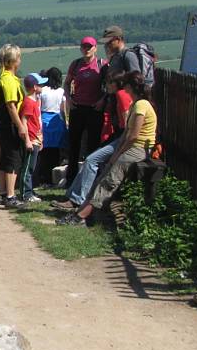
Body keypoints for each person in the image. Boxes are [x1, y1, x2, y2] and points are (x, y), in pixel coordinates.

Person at [56, 71, 157, 226]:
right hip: (132, 147)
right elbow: (127, 134)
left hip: (137, 149)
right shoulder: (137, 103)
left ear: (130, 86)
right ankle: (81, 211)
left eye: (126, 85)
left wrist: (117, 155)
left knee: (109, 180)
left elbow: (133, 136)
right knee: (102, 177)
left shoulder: (141, 105)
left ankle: (81, 216)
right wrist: (116, 153)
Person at [53, 70, 131, 210]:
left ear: (115, 84)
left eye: (108, 83)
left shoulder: (120, 95)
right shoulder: (117, 96)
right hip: (119, 136)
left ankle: (77, 199)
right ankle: (73, 196)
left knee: (91, 160)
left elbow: (126, 122)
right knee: (91, 159)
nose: (106, 86)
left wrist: (119, 146)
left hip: (122, 137)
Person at [64, 37, 106, 184]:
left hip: (95, 109)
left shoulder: (102, 65)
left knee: (93, 145)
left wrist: (103, 100)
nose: (86, 49)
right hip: (78, 108)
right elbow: (67, 82)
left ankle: (91, 179)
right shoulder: (75, 65)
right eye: (84, 46)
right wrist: (68, 98)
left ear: (95, 48)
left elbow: (109, 86)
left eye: (89, 47)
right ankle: (71, 178)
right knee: (74, 144)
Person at [0, 44, 26, 208]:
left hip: (0, 123)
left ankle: (2, 192)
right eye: (19, 57)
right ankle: (11, 196)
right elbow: (11, 105)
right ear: (14, 61)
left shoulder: (0, 78)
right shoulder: (10, 81)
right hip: (9, 124)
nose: (20, 60)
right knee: (13, 159)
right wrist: (20, 126)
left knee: (4, 157)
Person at [35, 67, 66, 186]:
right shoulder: (61, 91)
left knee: (43, 152)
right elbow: (63, 110)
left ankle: (42, 177)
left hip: (44, 121)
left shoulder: (43, 91)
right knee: (55, 152)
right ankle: (53, 178)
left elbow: (38, 107)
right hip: (57, 121)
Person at [18, 73, 45, 203]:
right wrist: (27, 140)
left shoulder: (34, 101)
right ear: (35, 87)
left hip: (36, 138)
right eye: (40, 84)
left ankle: (29, 191)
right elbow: (24, 121)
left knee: (31, 167)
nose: (42, 86)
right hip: (31, 139)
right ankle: (25, 194)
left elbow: (36, 121)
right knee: (28, 168)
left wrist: (41, 139)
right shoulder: (29, 102)